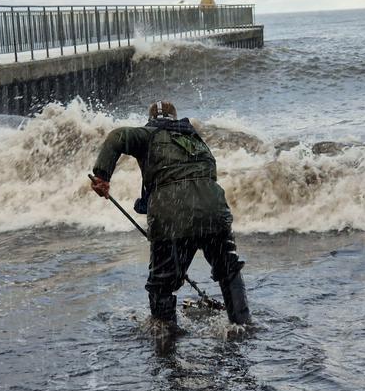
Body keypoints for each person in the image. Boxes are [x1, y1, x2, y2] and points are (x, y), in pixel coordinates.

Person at [90, 101, 251, 326]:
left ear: (151, 121)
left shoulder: (148, 134)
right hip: (214, 212)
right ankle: (242, 325)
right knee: (229, 270)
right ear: (175, 119)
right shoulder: (195, 139)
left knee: (162, 285)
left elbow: (117, 137)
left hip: (171, 216)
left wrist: (102, 176)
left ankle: (165, 336)